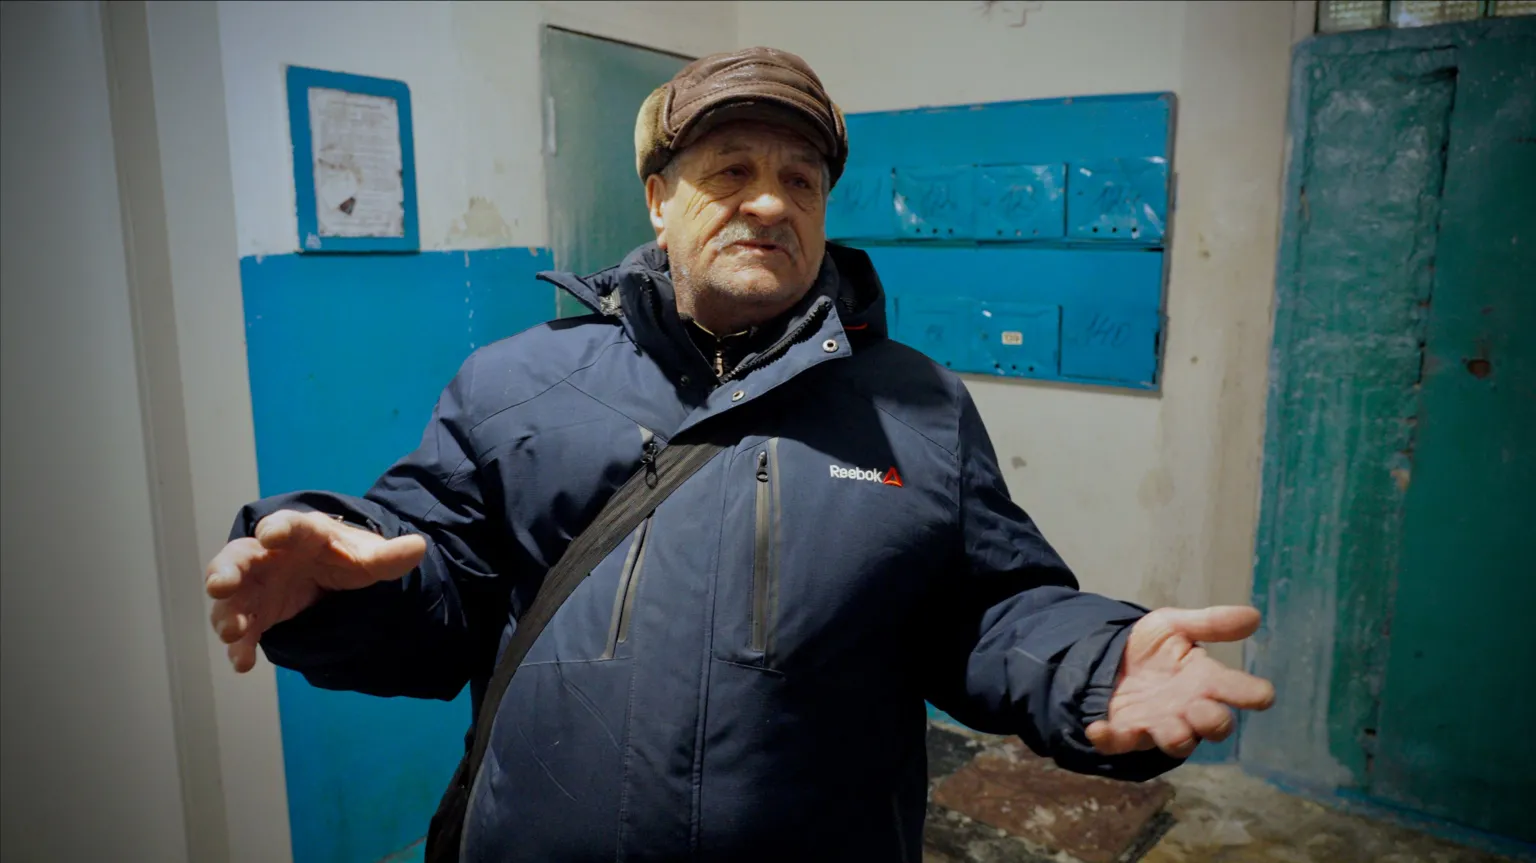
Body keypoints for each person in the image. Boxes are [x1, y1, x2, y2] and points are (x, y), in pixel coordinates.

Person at [205, 47, 1275, 862]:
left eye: (800, 180)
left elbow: (986, 609)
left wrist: (1095, 659)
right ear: (660, 200)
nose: (770, 199)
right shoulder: (514, 383)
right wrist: (335, 592)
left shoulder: (916, 404)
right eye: (731, 169)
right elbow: (435, 585)